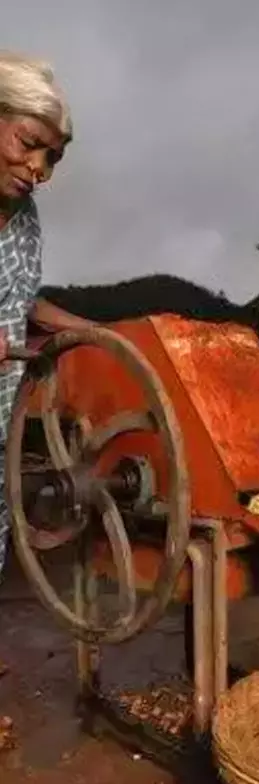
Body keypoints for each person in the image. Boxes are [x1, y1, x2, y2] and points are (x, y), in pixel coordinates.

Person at [0, 51, 87, 575]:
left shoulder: (25, 220)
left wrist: (99, 334)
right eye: (28, 144)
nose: (39, 169)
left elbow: (19, 299)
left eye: (52, 157)